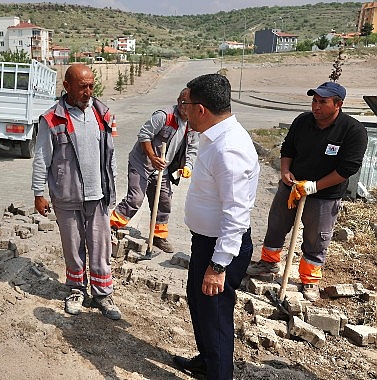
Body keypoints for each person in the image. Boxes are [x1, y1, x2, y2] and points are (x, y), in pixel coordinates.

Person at [246, 81, 368, 302]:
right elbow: (288, 149)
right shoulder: (303, 121)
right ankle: (269, 263)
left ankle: (309, 279)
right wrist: (285, 172)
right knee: (276, 224)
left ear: (338, 104)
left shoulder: (353, 130)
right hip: (291, 187)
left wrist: (314, 186)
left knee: (316, 237)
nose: (316, 106)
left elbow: (347, 168)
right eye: (314, 100)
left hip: (325, 195)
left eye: (323, 102)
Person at [173, 74, 259, 379]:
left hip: (221, 247)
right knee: (199, 304)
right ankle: (208, 361)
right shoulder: (214, 136)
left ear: (201, 109)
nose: (183, 110)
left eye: (186, 104)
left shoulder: (229, 148)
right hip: (207, 242)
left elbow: (236, 215)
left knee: (216, 316)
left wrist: (218, 266)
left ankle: (219, 372)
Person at [32, 64, 120, 320]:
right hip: (67, 195)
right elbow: (41, 158)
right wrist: (39, 192)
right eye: (82, 86)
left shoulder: (103, 114)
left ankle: (103, 293)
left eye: (91, 86)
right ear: (67, 86)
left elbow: (111, 155)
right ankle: (76, 290)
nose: (88, 91)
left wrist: (111, 187)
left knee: (101, 246)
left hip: (98, 195)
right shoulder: (52, 118)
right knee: (73, 247)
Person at [110, 88, 198, 253]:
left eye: (186, 103)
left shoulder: (192, 124)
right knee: (135, 199)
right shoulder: (164, 116)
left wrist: (188, 166)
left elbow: (192, 148)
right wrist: (152, 157)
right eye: (180, 100)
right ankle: (111, 226)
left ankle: (158, 236)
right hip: (142, 164)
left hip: (162, 169)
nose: (181, 105)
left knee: (164, 202)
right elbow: (144, 135)